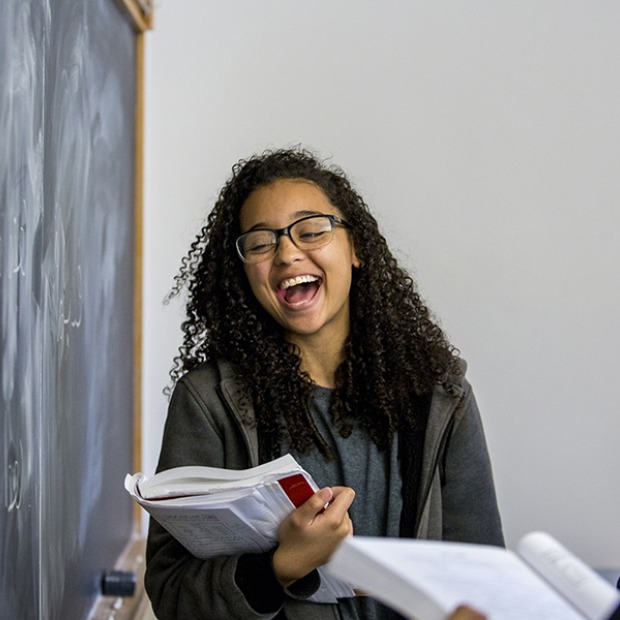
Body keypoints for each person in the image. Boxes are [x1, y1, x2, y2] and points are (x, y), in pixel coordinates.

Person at [145, 147, 504, 619]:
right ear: (244, 273)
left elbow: (484, 572)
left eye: (311, 230)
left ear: (356, 249)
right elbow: (173, 594)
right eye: (260, 243)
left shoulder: (439, 395)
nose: (288, 252)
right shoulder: (210, 402)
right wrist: (279, 568)